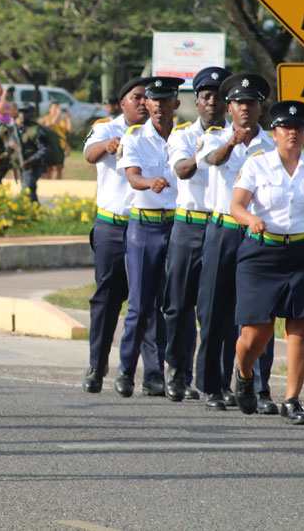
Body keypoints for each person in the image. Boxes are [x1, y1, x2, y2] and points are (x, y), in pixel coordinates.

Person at [230, 100, 304, 424]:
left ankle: (292, 400)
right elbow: (236, 206)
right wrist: (250, 219)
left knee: (301, 327)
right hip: (262, 255)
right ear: (274, 133)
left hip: (302, 254)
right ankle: (244, 375)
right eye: (287, 128)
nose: (293, 134)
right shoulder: (258, 165)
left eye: (300, 129)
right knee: (256, 334)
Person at [194, 73, 278, 413]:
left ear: (261, 109)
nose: (246, 110)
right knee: (215, 310)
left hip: (258, 233)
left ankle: (258, 387)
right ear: (229, 108)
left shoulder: (274, 143)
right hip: (223, 231)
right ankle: (212, 385)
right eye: (240, 104)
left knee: (260, 313)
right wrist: (232, 142)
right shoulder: (214, 138)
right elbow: (213, 160)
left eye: (252, 104)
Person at [163, 66, 231, 402]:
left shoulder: (240, 136)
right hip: (188, 225)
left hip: (222, 226)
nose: (212, 103)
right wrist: (207, 152)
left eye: (219, 97)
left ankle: (216, 381)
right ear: (197, 101)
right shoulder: (184, 136)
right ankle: (177, 372)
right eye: (206, 97)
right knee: (178, 305)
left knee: (216, 309)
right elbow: (182, 171)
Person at [115, 77, 184, 397]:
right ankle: (128, 370)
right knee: (141, 305)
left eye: (164, 99)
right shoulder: (134, 138)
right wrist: (149, 182)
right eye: (152, 99)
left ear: (176, 104)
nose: (156, 105)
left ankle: (169, 374)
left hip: (178, 226)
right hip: (144, 228)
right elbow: (132, 176)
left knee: (174, 305)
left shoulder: (185, 137)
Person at [81, 77, 148, 394]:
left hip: (146, 225)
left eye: (148, 98)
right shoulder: (108, 127)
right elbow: (89, 154)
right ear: (123, 103)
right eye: (137, 97)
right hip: (112, 226)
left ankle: (148, 374)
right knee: (107, 297)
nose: (144, 103)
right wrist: (105, 146)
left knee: (145, 299)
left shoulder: (157, 134)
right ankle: (97, 365)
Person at [16, 103, 50, 202]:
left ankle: (33, 212)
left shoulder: (37, 130)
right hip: (22, 166)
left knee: (28, 191)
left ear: (30, 114)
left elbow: (44, 150)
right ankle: (33, 212)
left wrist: (30, 160)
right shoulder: (18, 130)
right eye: (21, 113)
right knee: (27, 191)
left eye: (25, 113)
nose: (22, 115)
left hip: (33, 166)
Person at [42, 102, 72, 179]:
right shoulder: (47, 118)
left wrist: (68, 118)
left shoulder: (62, 119)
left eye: (57, 108)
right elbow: (50, 127)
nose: (56, 110)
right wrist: (57, 115)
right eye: (54, 108)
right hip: (50, 145)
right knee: (49, 168)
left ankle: (58, 186)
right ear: (50, 109)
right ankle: (48, 186)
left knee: (59, 168)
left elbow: (69, 131)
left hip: (61, 146)